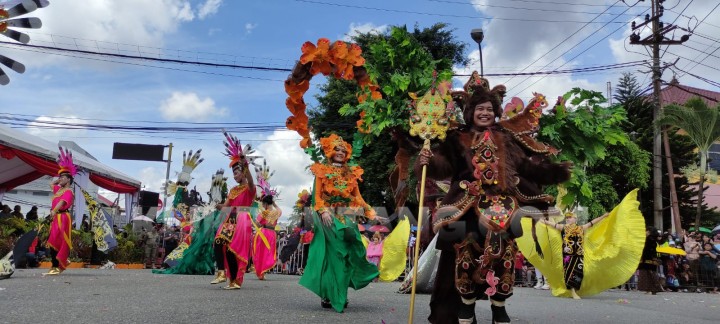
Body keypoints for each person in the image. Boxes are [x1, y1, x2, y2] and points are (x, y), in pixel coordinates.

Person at [417, 75, 573, 324]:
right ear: (470, 112)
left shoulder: (507, 138)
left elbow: (525, 167)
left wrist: (555, 172)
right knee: (459, 255)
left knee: (505, 255)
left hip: (502, 207)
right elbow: (443, 166)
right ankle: (460, 308)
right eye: (480, 109)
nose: (485, 113)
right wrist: (427, 161)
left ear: (496, 112)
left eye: (489, 109)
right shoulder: (457, 138)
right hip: (464, 205)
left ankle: (498, 306)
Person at [298, 134, 383, 313]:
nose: (340, 153)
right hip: (328, 217)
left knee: (348, 254)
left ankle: (340, 292)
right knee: (333, 256)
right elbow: (317, 197)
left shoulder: (351, 172)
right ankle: (329, 294)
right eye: (337, 149)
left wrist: (371, 212)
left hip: (345, 216)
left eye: (344, 151)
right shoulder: (321, 170)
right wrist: (323, 211)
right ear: (330, 150)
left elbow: (357, 197)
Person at [211, 131, 256, 289]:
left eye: (236, 173)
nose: (234, 176)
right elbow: (225, 207)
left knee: (232, 249)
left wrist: (246, 166)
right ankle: (222, 273)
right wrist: (216, 205)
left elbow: (250, 180)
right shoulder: (233, 190)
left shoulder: (250, 188)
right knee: (218, 242)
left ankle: (235, 281)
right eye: (233, 174)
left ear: (243, 172)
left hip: (243, 218)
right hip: (230, 217)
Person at [44, 147, 76, 276]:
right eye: (60, 177)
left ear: (69, 179)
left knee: (58, 240)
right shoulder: (58, 190)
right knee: (53, 239)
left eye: (63, 177)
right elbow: (50, 184)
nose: (60, 179)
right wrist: (58, 179)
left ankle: (56, 265)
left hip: (62, 217)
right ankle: (58, 263)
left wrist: (54, 211)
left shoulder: (69, 191)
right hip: (55, 217)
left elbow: (62, 202)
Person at [252, 192, 281, 280]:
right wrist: (274, 203)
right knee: (268, 252)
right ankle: (263, 271)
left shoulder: (264, 213)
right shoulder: (276, 212)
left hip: (263, 233)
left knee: (261, 252)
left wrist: (260, 226)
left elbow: (256, 223)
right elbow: (279, 209)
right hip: (272, 233)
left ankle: (261, 272)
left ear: (266, 204)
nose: (263, 205)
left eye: (263, 204)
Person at [638, 227, 663, 295]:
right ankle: (652, 289)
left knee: (647, 275)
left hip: (647, 259)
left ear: (649, 232)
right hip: (650, 259)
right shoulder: (653, 240)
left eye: (646, 231)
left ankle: (651, 288)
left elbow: (647, 250)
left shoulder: (649, 239)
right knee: (651, 274)